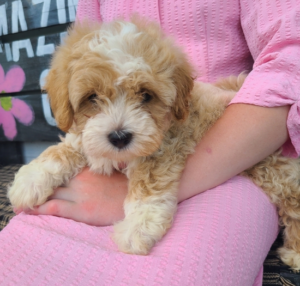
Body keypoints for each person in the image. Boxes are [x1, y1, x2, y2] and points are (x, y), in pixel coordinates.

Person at [2, 0, 299, 285]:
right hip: (103, 174)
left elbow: (290, 62)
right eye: (94, 99)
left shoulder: (181, 100)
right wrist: (54, 163)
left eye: (144, 97)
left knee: (178, 268)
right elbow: (79, 79)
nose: (119, 126)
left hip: (236, 148)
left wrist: (143, 195)